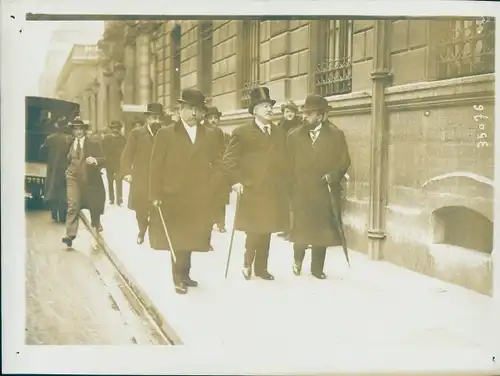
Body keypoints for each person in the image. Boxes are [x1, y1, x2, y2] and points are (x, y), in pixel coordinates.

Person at [149, 88, 224, 295]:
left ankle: (186, 274)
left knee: (191, 236)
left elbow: (219, 164)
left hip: (199, 195)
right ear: (181, 109)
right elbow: (156, 165)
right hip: (173, 194)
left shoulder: (209, 134)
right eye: (190, 109)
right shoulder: (166, 134)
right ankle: (177, 277)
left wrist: (212, 185)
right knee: (177, 238)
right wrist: (155, 195)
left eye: (197, 110)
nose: (194, 113)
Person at [224, 87, 290, 281]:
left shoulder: (279, 133)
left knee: (267, 229)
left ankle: (262, 269)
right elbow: (229, 160)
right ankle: (247, 263)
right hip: (252, 189)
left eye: (270, 106)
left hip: (273, 189)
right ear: (254, 111)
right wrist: (235, 181)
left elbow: (285, 158)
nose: (269, 109)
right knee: (254, 230)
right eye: (264, 106)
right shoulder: (242, 132)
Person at [286, 94, 351, 279]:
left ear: (321, 116)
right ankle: (297, 261)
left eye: (309, 113)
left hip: (324, 192)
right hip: (302, 191)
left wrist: (332, 176)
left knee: (321, 232)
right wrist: (291, 188)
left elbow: (344, 161)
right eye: (304, 113)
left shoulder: (336, 135)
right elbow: (286, 165)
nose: (304, 116)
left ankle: (317, 269)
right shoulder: (294, 136)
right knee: (300, 230)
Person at [121, 103, 164, 245]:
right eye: (153, 118)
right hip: (141, 177)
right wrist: (126, 172)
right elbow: (127, 154)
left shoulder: (165, 133)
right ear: (147, 118)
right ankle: (142, 229)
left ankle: (154, 236)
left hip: (159, 178)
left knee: (156, 208)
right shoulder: (137, 133)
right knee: (141, 209)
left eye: (158, 118)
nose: (156, 121)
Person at [61, 118, 106, 248]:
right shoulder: (68, 143)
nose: (78, 131)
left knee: (94, 208)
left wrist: (96, 160)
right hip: (72, 177)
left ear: (84, 130)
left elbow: (104, 159)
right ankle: (70, 235)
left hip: (89, 179)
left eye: (81, 129)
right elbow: (64, 158)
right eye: (76, 129)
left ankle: (96, 233)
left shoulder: (93, 143)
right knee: (73, 204)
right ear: (72, 131)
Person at [39, 117, 72, 223]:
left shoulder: (50, 138)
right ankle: (63, 216)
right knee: (64, 192)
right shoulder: (70, 139)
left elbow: (42, 150)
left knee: (53, 190)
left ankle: (54, 214)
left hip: (53, 168)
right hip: (66, 168)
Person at [204, 105, 230, 233]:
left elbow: (226, 150)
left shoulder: (222, 134)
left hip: (220, 170)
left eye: (216, 118)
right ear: (206, 119)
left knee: (221, 198)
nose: (214, 120)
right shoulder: (202, 132)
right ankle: (209, 222)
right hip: (207, 171)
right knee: (208, 198)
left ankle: (221, 223)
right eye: (211, 118)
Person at [102, 120, 127, 206]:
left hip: (119, 163)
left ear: (120, 129)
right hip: (109, 163)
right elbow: (103, 150)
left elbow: (125, 151)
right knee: (110, 182)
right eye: (113, 128)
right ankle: (111, 198)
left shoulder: (123, 139)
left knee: (119, 181)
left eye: (117, 128)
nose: (115, 130)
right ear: (111, 129)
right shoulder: (106, 138)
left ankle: (119, 199)